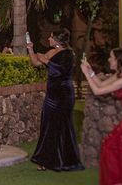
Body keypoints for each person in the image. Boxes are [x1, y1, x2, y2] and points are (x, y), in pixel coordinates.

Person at [80, 47, 122, 185]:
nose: (109, 59)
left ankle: (118, 180)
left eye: (111, 57)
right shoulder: (119, 75)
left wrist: (86, 74)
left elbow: (98, 91)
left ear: (118, 60)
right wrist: (90, 71)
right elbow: (101, 83)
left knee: (110, 144)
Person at [26, 28, 84, 172]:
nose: (49, 39)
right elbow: (36, 63)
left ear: (57, 40)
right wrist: (31, 50)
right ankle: (45, 160)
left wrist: (45, 60)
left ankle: (66, 160)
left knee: (63, 125)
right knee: (48, 125)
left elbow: (59, 71)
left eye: (51, 37)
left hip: (64, 94)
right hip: (52, 95)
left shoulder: (69, 54)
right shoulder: (51, 52)